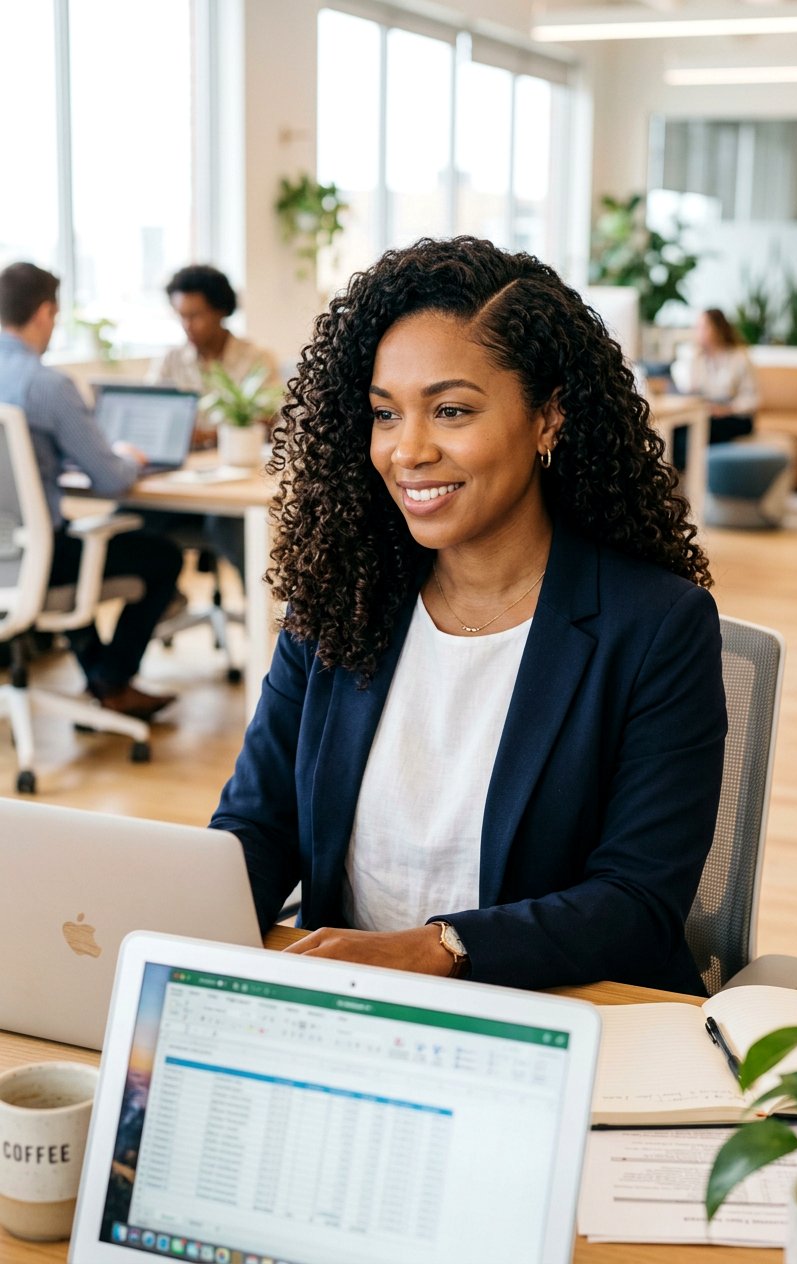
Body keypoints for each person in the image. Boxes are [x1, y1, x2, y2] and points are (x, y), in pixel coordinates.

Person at [211, 237, 728, 995]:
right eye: (385, 414)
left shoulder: (656, 626)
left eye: (451, 410)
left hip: (559, 1013)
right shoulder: (340, 599)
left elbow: (636, 902)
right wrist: (189, 927)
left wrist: (437, 949)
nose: (408, 450)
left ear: (548, 419)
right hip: (345, 1007)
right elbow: (258, 827)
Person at [0, 262, 181, 719]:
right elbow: (113, 479)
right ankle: (112, 681)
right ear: (45, 313)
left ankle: (103, 679)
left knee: (71, 545)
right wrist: (127, 456)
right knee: (162, 557)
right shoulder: (47, 385)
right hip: (37, 563)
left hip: (9, 558)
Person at [147, 264, 282, 578]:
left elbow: (267, 421)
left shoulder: (256, 357)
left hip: (235, 485)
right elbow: (155, 419)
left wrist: (202, 435)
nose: (187, 326)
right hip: (180, 486)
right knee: (133, 519)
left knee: (228, 525)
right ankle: (164, 596)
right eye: (181, 316)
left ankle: (263, 603)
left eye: (195, 315)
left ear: (220, 310)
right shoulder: (170, 361)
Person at [670, 308, 760, 469]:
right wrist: (692, 359)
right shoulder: (698, 358)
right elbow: (690, 389)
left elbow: (753, 399)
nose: (698, 332)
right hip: (709, 412)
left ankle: (692, 474)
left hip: (735, 416)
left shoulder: (739, 357)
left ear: (718, 329)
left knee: (696, 432)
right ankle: (679, 475)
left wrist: (728, 409)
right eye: (697, 327)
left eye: (703, 327)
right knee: (677, 429)